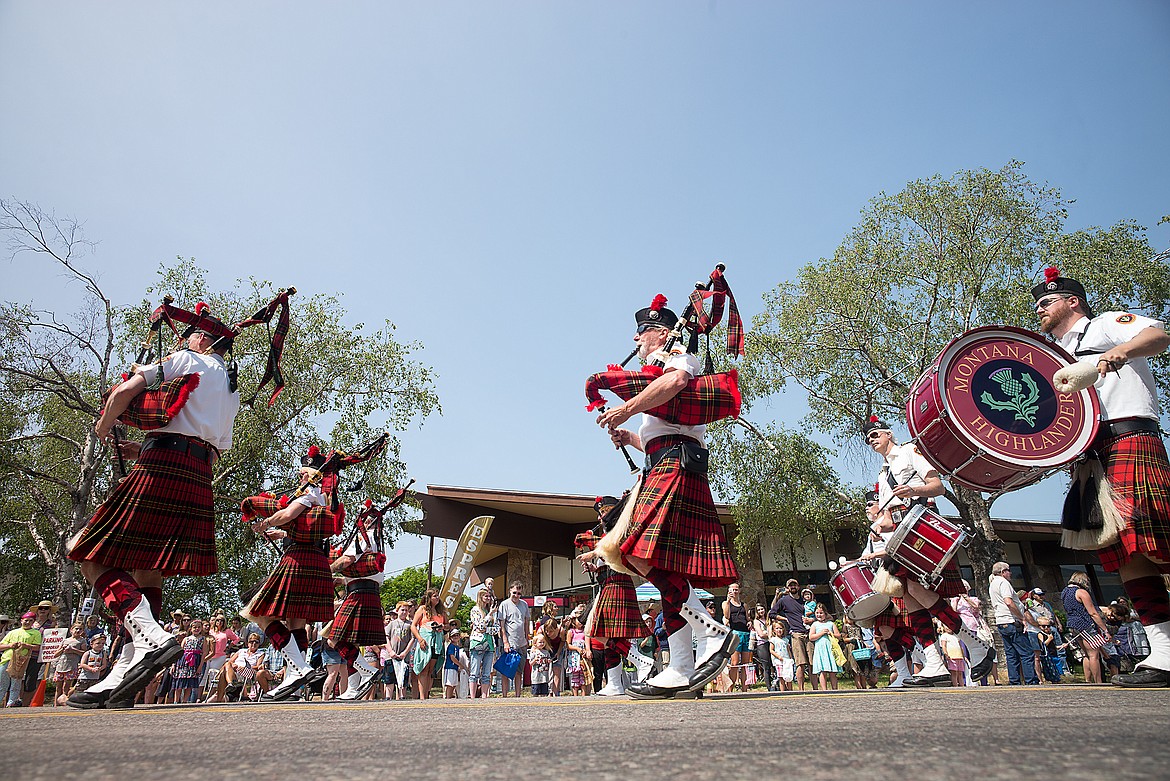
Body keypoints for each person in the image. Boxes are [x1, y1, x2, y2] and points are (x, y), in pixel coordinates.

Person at [66, 302, 244, 710]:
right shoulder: (230, 391)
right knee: (149, 568)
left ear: (201, 338)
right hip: (196, 474)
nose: (183, 339)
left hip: (161, 466)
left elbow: (125, 391)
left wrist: (104, 425)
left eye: (189, 335)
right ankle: (125, 668)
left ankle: (151, 634)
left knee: (86, 550)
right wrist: (146, 443)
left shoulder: (186, 358)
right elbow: (210, 446)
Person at [593, 295, 739, 698]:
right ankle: (679, 668)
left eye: (642, 332)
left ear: (659, 333)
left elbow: (676, 385)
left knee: (633, 552)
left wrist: (624, 411)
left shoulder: (679, 355)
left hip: (677, 463)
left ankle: (712, 629)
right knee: (665, 569)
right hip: (662, 459)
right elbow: (662, 431)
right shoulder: (655, 371)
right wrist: (631, 437)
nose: (636, 340)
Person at [1032, 268, 1170, 686]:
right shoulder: (1053, 355)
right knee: (1124, 553)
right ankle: (1164, 653)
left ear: (1072, 301)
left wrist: (1120, 353)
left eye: (1047, 302)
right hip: (1091, 454)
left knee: (1156, 540)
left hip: (1130, 435)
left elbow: (1160, 336)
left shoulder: (1105, 325)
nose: (1039, 309)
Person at [861, 418, 995, 687]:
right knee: (908, 595)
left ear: (889, 434)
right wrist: (877, 527)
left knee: (917, 591)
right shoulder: (882, 474)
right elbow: (889, 516)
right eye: (868, 439)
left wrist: (913, 489)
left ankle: (976, 646)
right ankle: (934, 662)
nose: (872, 440)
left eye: (875, 434)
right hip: (898, 532)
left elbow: (937, 487)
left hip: (920, 524)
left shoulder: (910, 452)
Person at [243, 446, 338, 702]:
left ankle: (299, 668)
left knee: (255, 612)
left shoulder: (309, 493)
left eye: (301, 474)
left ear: (309, 474)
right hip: (313, 559)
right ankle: (292, 678)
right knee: (295, 622)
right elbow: (303, 526)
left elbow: (288, 513)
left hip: (298, 561)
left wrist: (266, 523)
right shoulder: (321, 497)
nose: (298, 478)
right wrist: (283, 533)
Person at [575, 496, 654, 696]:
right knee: (608, 634)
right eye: (600, 513)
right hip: (608, 581)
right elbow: (608, 557)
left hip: (617, 582)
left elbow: (612, 546)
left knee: (597, 632)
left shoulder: (619, 528)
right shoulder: (607, 532)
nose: (601, 517)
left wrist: (591, 553)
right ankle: (615, 683)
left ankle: (641, 661)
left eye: (603, 512)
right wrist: (595, 566)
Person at [327, 530, 388, 701]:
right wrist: (342, 580)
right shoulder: (376, 540)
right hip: (367, 590)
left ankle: (368, 671)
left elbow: (348, 559)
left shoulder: (364, 535)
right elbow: (366, 571)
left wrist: (326, 570)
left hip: (359, 594)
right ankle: (353, 688)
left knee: (334, 640)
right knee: (350, 643)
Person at [988, 562, 1039, 685]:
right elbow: (1008, 602)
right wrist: (1021, 617)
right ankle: (1030, 680)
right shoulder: (1004, 583)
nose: (1010, 573)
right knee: (1026, 653)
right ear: (1002, 572)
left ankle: (1014, 680)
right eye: (1008, 570)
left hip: (1001, 621)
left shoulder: (992, 584)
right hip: (1011, 621)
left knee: (1011, 654)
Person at [1061, 571, 1112, 683]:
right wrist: (1105, 629)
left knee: (1086, 655)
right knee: (1094, 655)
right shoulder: (1081, 592)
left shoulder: (1065, 592)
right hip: (1085, 624)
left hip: (1072, 624)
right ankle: (1098, 681)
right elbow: (1093, 613)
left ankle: (1088, 679)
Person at [770, 579, 814, 690]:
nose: (793, 587)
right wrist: (785, 618)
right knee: (800, 663)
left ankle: (815, 689)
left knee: (812, 663)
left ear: (798, 587)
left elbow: (818, 613)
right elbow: (772, 613)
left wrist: (811, 620)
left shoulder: (805, 600)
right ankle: (801, 689)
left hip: (809, 633)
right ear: (787, 588)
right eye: (790, 585)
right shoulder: (784, 600)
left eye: (794, 585)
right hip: (796, 633)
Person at [411, 588, 448, 699]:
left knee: (431, 670)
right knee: (424, 668)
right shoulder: (422, 609)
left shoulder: (441, 611)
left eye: (438, 596)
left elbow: (447, 625)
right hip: (426, 641)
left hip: (437, 642)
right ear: (429, 598)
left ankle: (427, 694)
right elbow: (413, 626)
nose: (437, 598)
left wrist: (442, 627)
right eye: (434, 596)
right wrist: (420, 639)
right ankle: (422, 696)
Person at [495, 581, 531, 698]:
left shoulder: (524, 604)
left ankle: (517, 695)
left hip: (521, 643)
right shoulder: (504, 605)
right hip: (510, 643)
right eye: (514, 592)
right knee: (506, 671)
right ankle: (505, 695)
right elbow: (502, 626)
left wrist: (527, 638)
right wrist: (505, 642)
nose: (516, 595)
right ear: (510, 591)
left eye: (519, 593)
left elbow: (526, 622)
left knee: (518, 671)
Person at [0, 612, 42, 707]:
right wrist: (10, 645)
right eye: (26, 620)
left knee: (16, 681)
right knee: (2, 682)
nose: (27, 622)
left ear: (33, 622)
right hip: (7, 659)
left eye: (30, 621)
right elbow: (1, 646)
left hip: (21, 660)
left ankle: (11, 702)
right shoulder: (13, 632)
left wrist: (26, 646)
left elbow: (37, 647)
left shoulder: (35, 633)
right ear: (21, 621)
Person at [721, 583, 752, 693]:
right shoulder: (726, 603)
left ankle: (745, 688)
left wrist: (749, 622)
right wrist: (728, 601)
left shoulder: (744, 605)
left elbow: (747, 618)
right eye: (732, 590)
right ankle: (730, 689)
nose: (734, 592)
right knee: (734, 663)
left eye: (736, 590)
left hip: (745, 633)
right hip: (735, 633)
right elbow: (726, 616)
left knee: (745, 663)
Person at [467, 589, 497, 699]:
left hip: (489, 643)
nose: (488, 598)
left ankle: (485, 696)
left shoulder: (491, 610)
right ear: (481, 597)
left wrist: (487, 629)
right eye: (486, 596)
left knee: (486, 673)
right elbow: (480, 626)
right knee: (474, 672)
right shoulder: (475, 610)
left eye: (489, 596)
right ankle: (473, 696)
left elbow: (496, 629)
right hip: (477, 642)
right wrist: (489, 615)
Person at [169, 618, 207, 704]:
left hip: (194, 662)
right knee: (179, 682)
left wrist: (200, 666)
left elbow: (204, 653)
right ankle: (176, 701)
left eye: (198, 627)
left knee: (189, 684)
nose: (196, 629)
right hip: (183, 662)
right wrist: (174, 665)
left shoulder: (203, 639)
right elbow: (179, 652)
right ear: (191, 628)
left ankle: (185, 701)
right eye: (194, 627)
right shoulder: (186, 639)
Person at [52, 623, 88, 706]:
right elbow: (56, 654)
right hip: (61, 664)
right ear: (71, 630)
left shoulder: (82, 640)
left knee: (66, 686)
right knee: (58, 687)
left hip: (72, 665)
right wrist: (63, 649)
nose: (78, 631)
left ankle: (64, 702)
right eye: (76, 629)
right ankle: (55, 705)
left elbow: (84, 653)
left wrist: (73, 650)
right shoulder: (65, 640)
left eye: (80, 629)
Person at [808, 605, 841, 690]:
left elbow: (839, 636)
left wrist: (831, 633)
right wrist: (821, 633)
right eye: (817, 613)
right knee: (822, 671)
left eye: (821, 613)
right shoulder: (815, 624)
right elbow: (811, 637)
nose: (819, 615)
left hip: (830, 648)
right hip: (820, 649)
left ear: (825, 614)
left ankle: (835, 688)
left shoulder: (831, 624)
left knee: (832, 671)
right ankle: (824, 689)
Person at [751, 605, 775, 691]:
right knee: (766, 666)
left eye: (762, 609)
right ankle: (769, 687)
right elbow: (761, 634)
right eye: (759, 610)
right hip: (762, 645)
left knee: (774, 664)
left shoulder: (768, 620)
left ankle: (776, 684)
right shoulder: (756, 621)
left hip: (770, 643)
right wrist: (769, 635)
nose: (761, 611)